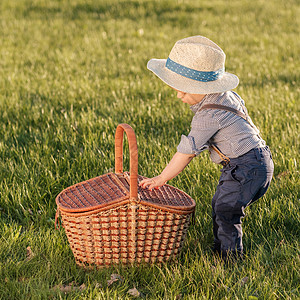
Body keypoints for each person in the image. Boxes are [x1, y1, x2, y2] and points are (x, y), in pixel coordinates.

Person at [139, 35, 274, 260]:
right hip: (257, 160)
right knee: (221, 204)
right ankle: (220, 248)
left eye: (185, 89)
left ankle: (229, 258)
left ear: (205, 87)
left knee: (226, 209)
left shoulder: (208, 115)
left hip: (246, 165)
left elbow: (187, 152)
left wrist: (162, 178)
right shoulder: (225, 96)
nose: (179, 94)